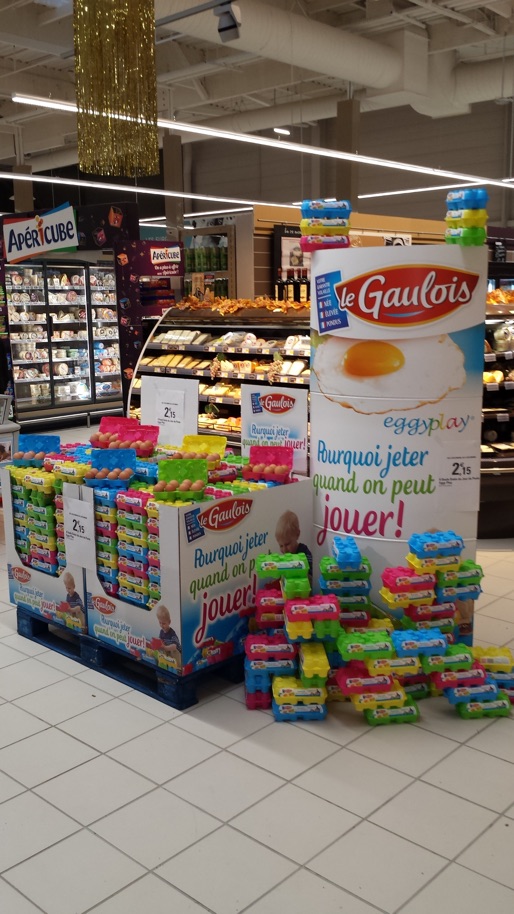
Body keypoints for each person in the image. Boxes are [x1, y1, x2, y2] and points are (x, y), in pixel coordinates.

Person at [156, 604, 182, 669]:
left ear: (169, 622)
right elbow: (160, 642)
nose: (161, 625)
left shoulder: (172, 633)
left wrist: (165, 647)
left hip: (177, 654)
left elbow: (174, 646)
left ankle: (178, 668)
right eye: (160, 623)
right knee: (160, 649)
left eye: (164, 623)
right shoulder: (161, 632)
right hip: (167, 652)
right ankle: (163, 663)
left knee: (173, 651)